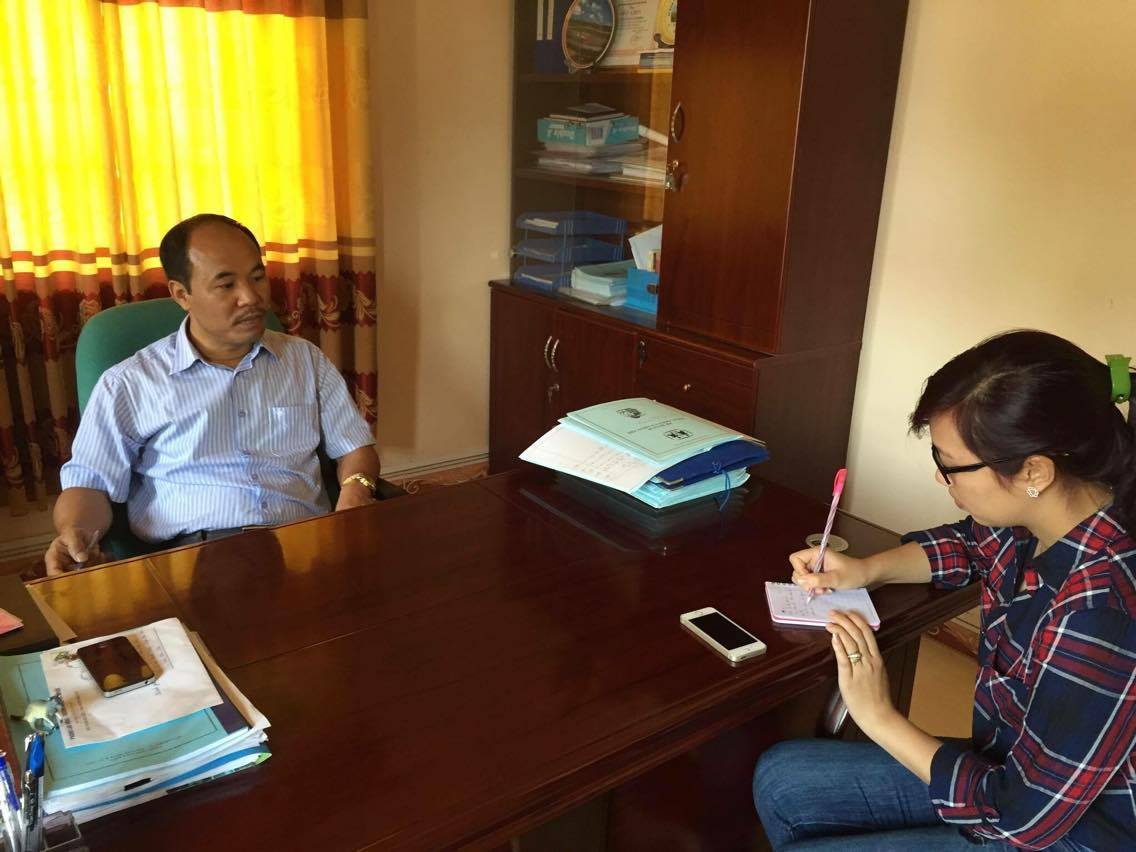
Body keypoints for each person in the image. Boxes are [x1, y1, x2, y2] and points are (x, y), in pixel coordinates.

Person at [753, 330, 1136, 851]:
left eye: (950, 465)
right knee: (783, 780)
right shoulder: (1041, 515)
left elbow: (1023, 818)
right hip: (1005, 764)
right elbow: (970, 545)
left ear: (1033, 470)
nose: (941, 479)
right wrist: (865, 570)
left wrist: (877, 715)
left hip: (1065, 832)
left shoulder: (1100, 611)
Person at [45, 213, 382, 575]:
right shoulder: (129, 383)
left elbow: (355, 448)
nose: (250, 297)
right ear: (182, 295)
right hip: (197, 559)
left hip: (304, 548)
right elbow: (89, 485)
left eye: (257, 277)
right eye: (226, 285)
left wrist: (357, 489)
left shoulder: (304, 359)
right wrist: (75, 532)